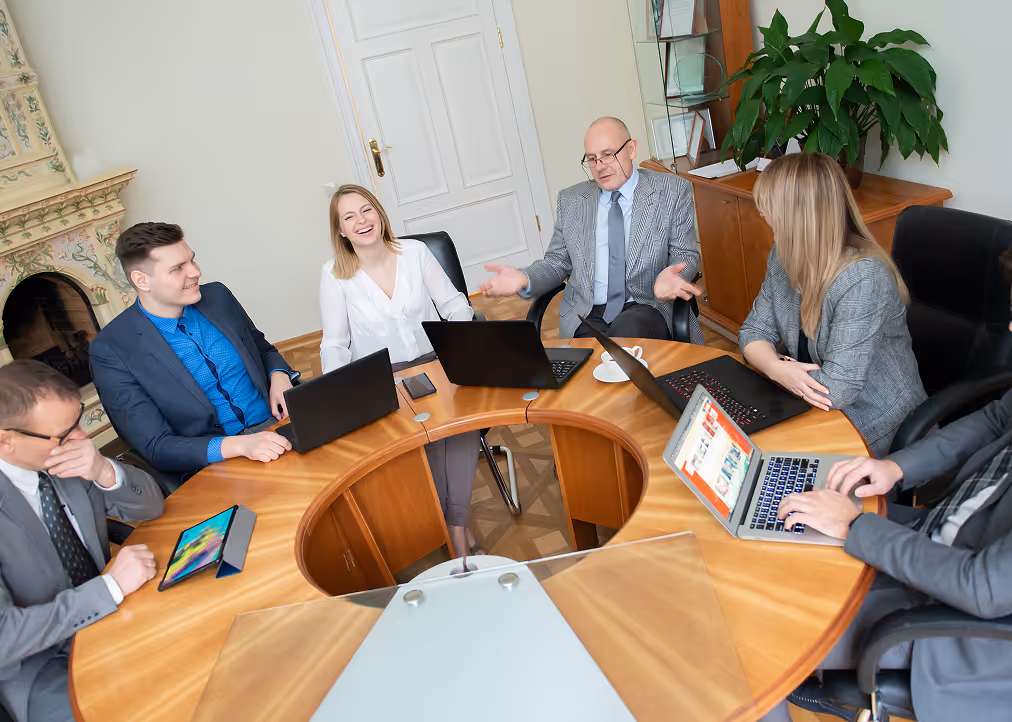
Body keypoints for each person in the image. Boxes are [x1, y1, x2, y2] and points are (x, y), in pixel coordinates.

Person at [760, 249, 1012, 722]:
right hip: (934, 535)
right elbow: (998, 417)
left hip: (948, 630)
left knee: (752, 635)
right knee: (781, 527)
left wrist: (856, 526)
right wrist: (897, 468)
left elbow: (981, 586)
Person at [320, 184, 482, 557]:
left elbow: (455, 304)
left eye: (366, 210)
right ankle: (454, 525)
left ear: (379, 213)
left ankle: (455, 526)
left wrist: (460, 347)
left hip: (436, 362)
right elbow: (334, 343)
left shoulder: (415, 252)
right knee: (418, 441)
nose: (361, 221)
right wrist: (339, 392)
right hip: (383, 378)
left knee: (458, 425)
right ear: (340, 231)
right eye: (349, 217)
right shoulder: (334, 275)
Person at [0, 361, 164, 722]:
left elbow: (151, 507)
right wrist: (109, 588)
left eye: (80, 420)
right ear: (5, 439)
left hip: (122, 614)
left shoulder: (69, 456)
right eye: (63, 432)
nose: (81, 438)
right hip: (44, 665)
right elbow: (5, 637)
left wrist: (103, 471)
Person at [738, 153, 926, 457]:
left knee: (766, 463)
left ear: (798, 213)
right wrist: (777, 368)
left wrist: (779, 368)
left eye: (768, 204)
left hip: (874, 420)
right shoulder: (783, 255)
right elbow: (752, 332)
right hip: (814, 406)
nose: (761, 212)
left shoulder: (863, 276)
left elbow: (836, 391)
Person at [90, 223, 299, 485]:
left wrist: (279, 374)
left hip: (281, 425)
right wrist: (241, 446)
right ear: (141, 280)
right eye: (178, 268)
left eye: (192, 260)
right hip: (215, 465)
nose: (195, 272)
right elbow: (156, 445)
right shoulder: (111, 349)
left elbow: (261, 347)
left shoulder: (218, 296)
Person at [479, 116, 704, 344]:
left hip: (647, 306)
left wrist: (673, 274)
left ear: (632, 149)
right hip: (589, 312)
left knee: (622, 340)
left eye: (608, 155)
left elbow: (685, 254)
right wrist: (524, 277)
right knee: (593, 357)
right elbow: (556, 263)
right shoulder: (572, 201)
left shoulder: (671, 191)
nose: (599, 166)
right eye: (592, 159)